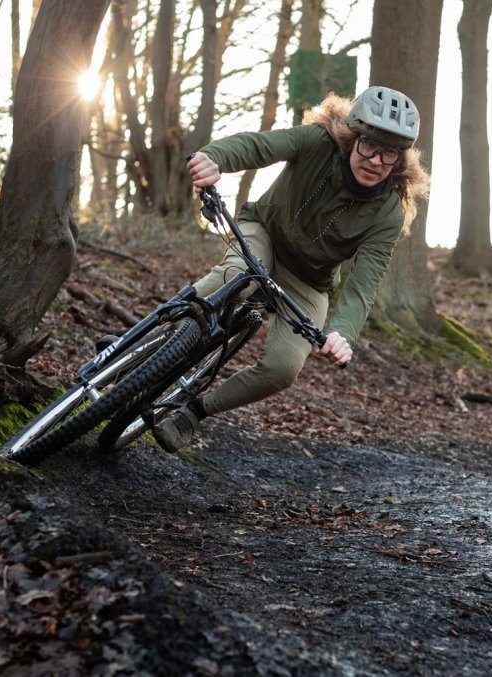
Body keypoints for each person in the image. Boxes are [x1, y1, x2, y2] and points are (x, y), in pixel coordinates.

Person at [153, 85, 431, 452]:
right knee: (233, 277)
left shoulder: (389, 212)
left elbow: (365, 282)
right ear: (353, 139)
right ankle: (144, 341)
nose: (376, 161)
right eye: (369, 147)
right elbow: (259, 146)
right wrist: (213, 158)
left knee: (283, 369)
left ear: (401, 159)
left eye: (389, 154)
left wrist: (342, 333)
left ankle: (192, 413)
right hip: (265, 232)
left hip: (308, 282)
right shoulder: (318, 141)